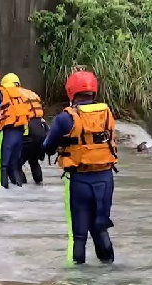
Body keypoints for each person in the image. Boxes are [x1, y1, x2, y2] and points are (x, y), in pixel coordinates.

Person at [43, 71, 118, 265]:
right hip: (105, 179)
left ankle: (74, 280)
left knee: (77, 236)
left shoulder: (64, 118)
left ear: (71, 91)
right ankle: (109, 269)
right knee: (100, 227)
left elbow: (48, 147)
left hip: (79, 181)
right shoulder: (107, 113)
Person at [1, 73, 49, 185]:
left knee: (16, 165)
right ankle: (39, 185)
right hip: (42, 133)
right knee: (34, 161)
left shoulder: (14, 96)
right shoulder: (31, 94)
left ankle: (21, 191)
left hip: (28, 134)